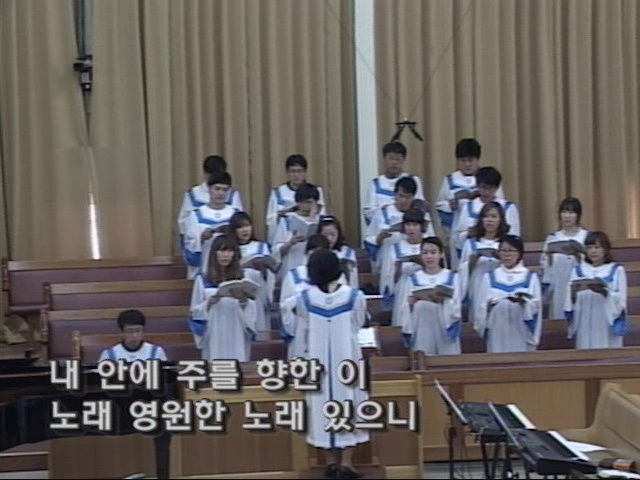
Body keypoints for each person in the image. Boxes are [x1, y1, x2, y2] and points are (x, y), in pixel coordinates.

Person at [295, 249, 369, 479]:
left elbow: (305, 327)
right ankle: (346, 463)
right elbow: (357, 325)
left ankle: (331, 463)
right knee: (350, 404)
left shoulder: (305, 299)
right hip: (347, 361)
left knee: (321, 407)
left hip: (318, 363)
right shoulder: (354, 297)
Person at [189, 235, 257, 361]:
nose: (225, 255)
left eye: (230, 251)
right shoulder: (202, 280)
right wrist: (209, 303)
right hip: (214, 330)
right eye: (222, 251)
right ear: (214, 253)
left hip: (236, 329)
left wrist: (243, 300)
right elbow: (194, 312)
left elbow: (252, 308)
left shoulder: (243, 277)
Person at [474, 235, 542, 353]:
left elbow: (537, 308)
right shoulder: (489, 277)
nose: (506, 254)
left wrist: (524, 304)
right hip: (497, 329)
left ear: (519, 253)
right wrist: (489, 306)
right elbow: (480, 307)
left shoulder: (530, 277)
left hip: (521, 329)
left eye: (511, 250)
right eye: (503, 250)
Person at [564, 231, 627, 349]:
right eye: (589, 248)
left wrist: (604, 292)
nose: (593, 251)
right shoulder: (577, 271)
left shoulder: (616, 270)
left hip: (605, 320)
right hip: (584, 318)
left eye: (597, 247)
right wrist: (573, 292)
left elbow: (621, 301)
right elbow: (569, 300)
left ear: (606, 249)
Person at [401, 237, 462, 355]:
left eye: (433, 252)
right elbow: (405, 308)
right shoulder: (413, 279)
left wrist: (444, 301)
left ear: (441, 254)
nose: (429, 257)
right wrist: (411, 304)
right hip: (422, 326)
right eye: (425, 253)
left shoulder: (452, 277)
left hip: (444, 326)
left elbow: (456, 305)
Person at [435, 138, 504, 239]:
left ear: (477, 159)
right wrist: (450, 205)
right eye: (463, 160)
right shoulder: (450, 180)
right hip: (459, 229)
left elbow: (500, 205)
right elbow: (440, 205)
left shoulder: (490, 178)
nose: (467, 164)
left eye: (470, 160)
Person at [452, 166, 519, 269]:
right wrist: (468, 234)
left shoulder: (508, 208)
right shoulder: (468, 207)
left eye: (490, 188)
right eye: (483, 187)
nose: (487, 192)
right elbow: (457, 239)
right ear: (477, 185)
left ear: (497, 188)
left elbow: (515, 239)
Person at [364, 176, 435, 273]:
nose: (403, 200)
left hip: (419, 267)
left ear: (413, 197)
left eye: (408, 197)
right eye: (401, 196)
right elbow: (368, 239)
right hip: (389, 265)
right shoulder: (383, 213)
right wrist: (379, 238)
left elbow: (432, 241)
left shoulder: (422, 215)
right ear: (395, 194)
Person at [458, 202, 510, 325]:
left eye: (494, 216)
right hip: (478, 287)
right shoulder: (471, 244)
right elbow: (462, 272)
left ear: (501, 220)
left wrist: (501, 258)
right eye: (486, 216)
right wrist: (471, 263)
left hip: (501, 289)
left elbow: (516, 268)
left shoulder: (507, 243)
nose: (489, 220)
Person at [279, 234, 330, 359]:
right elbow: (285, 306)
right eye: (313, 252)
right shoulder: (294, 275)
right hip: (302, 332)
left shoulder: (335, 276)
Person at [375, 209, 428, 326]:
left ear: (422, 227)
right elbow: (389, 278)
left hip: (425, 288)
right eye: (408, 225)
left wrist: (420, 262)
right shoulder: (395, 248)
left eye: (415, 225)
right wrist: (397, 269)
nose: (411, 229)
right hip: (404, 289)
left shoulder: (429, 246)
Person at [183, 171, 239, 279]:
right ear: (209, 189)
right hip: (205, 267)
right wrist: (201, 238)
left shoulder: (235, 214)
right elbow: (189, 243)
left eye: (225, 190)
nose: (221, 193)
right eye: (217, 189)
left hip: (231, 269)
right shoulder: (196, 215)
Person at [541, 197, 589, 319]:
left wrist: (578, 253)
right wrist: (550, 257)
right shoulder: (553, 238)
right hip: (559, 286)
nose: (567, 216)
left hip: (579, 286)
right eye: (564, 212)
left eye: (571, 212)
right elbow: (545, 264)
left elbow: (593, 262)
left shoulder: (586, 237)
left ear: (578, 215)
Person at [229, 211, 275, 332]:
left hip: (258, 292)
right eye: (240, 227)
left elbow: (270, 271)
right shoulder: (229, 248)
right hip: (238, 294)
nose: (245, 230)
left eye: (247, 225)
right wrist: (245, 266)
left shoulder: (261, 246)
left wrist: (264, 270)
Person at [265, 155, 327, 244]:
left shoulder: (316, 191)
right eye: (293, 171)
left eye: (299, 171)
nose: (296, 175)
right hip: (286, 236)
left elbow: (322, 216)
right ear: (287, 172)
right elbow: (271, 220)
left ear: (305, 172)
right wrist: (281, 215)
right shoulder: (278, 193)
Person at [177, 155, 244, 237]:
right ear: (206, 173)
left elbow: (240, 220)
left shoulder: (232, 194)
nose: (220, 193)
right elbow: (183, 222)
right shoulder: (193, 194)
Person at [363, 141, 425, 225]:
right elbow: (368, 212)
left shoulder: (413, 180)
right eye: (391, 158)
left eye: (398, 159)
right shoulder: (375, 184)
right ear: (384, 159)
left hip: (408, 226)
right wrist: (388, 210)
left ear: (404, 160)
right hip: (383, 227)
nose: (394, 162)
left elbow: (419, 206)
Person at [273, 183, 322, 281]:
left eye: (309, 202)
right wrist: (290, 243)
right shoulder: (287, 220)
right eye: (302, 202)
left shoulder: (321, 220)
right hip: (292, 262)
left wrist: (313, 218)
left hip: (314, 264)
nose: (305, 206)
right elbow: (276, 248)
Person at [98, 309, 168, 362]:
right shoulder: (109, 355)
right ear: (121, 332)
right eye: (130, 331)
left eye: (138, 330)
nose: (134, 335)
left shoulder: (156, 352)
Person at [317, 215, 359, 289]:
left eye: (333, 234)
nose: (329, 238)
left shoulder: (347, 252)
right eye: (325, 235)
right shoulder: (315, 252)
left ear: (338, 234)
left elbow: (352, 278)